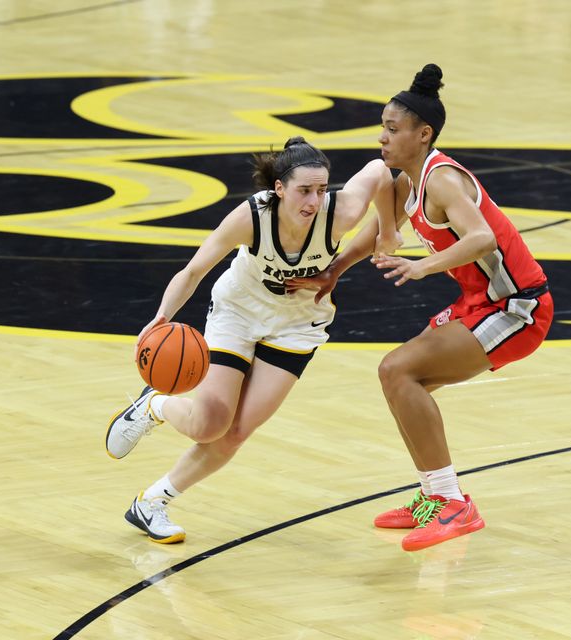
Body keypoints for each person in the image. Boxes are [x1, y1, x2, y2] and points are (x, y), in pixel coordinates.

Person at [286, 64, 554, 552]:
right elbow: (376, 228)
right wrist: (336, 270)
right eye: (382, 127)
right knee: (398, 379)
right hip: (480, 302)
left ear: (423, 133)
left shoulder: (443, 180)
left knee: (399, 369)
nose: (383, 137)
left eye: (393, 128)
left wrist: (422, 267)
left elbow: (481, 237)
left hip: (518, 307)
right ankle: (435, 495)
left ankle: (454, 503)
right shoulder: (407, 183)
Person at [105, 136, 399, 543]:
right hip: (239, 312)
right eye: (303, 191)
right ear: (278, 189)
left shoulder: (340, 213)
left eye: (320, 189)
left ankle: (151, 503)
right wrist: (160, 319)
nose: (314, 200)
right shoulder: (251, 218)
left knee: (236, 433)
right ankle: (154, 404)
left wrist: (386, 231)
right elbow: (193, 271)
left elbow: (384, 173)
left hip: (299, 323)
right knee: (208, 425)